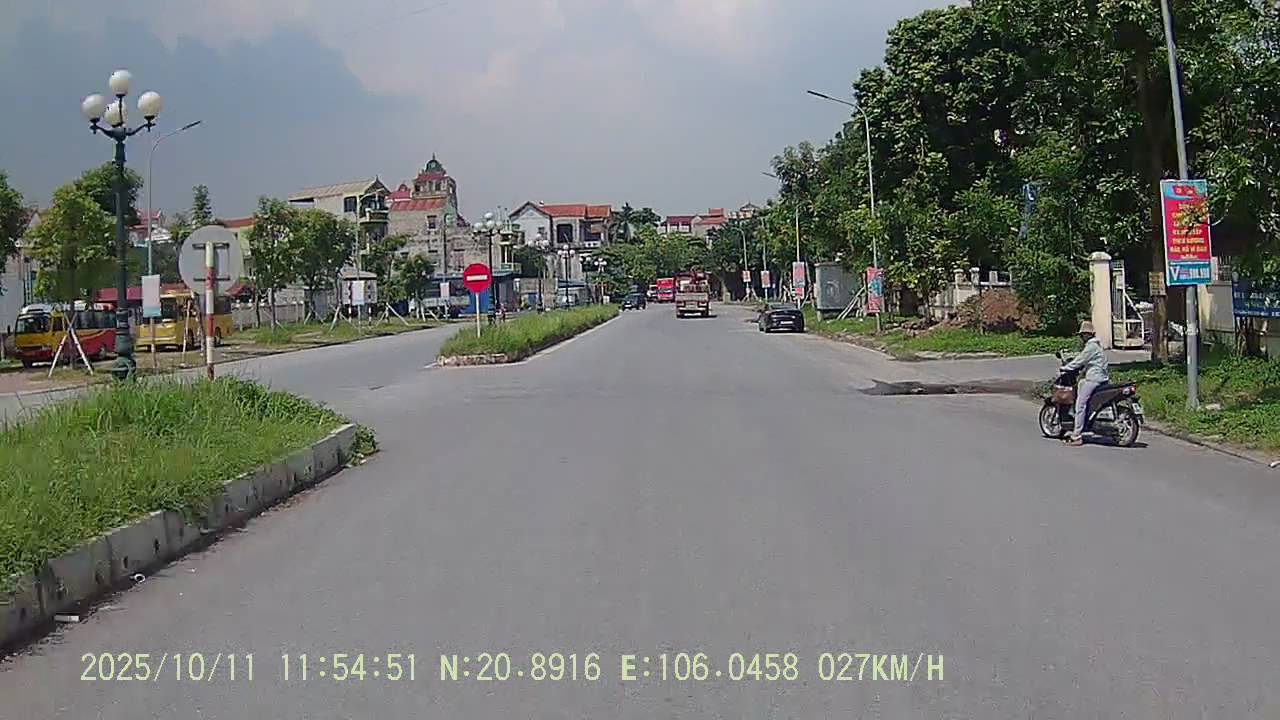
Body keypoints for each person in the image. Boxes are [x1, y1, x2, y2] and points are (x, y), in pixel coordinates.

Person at [1062, 320, 1109, 446]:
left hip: (1094, 379)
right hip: (1102, 378)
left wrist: (1066, 368)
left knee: (1080, 405)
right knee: (1081, 383)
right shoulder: (1097, 346)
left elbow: (1080, 360)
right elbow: (1087, 362)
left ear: (1087, 335)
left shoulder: (1091, 347)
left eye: (1082, 335)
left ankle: (1076, 435)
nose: (1082, 337)